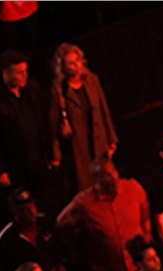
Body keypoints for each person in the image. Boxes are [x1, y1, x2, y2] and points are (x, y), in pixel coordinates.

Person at [54, 160, 153, 271]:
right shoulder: (84, 202)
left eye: (113, 172)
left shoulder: (133, 188)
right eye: (107, 175)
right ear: (97, 180)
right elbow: (62, 223)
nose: (113, 177)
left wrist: (147, 235)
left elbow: (145, 211)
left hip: (137, 269)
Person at [47, 44, 116, 194]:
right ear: (62, 67)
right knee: (85, 185)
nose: (75, 65)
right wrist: (56, 154)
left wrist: (111, 137)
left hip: (98, 139)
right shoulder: (59, 90)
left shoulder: (92, 80)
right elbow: (53, 123)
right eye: (70, 63)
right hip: (78, 144)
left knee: (107, 178)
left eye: (77, 60)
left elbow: (103, 109)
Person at [0, 51, 52, 196]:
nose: (24, 76)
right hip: (15, 166)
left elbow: (42, 123)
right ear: (6, 73)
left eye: (25, 71)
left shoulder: (31, 92)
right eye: (19, 73)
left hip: (37, 161)